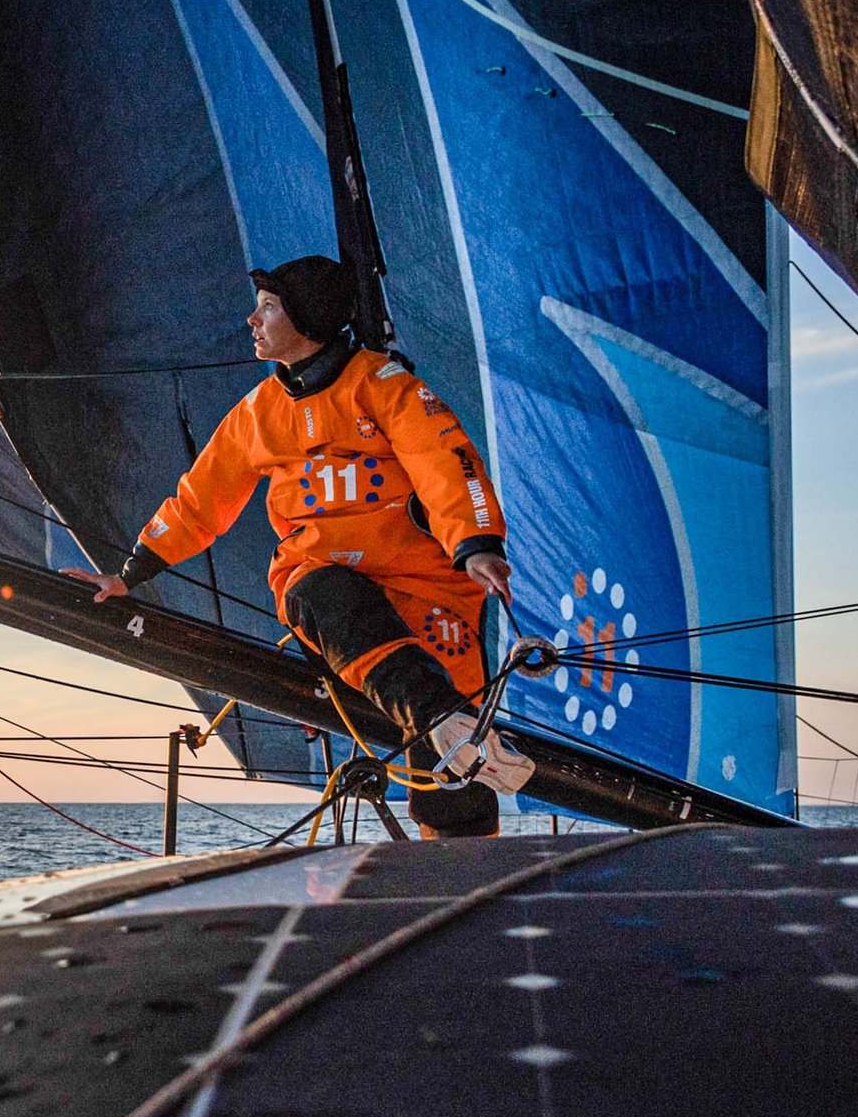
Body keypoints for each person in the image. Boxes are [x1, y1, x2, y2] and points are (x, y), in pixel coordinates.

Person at [65, 255, 532, 837]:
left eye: (267, 307)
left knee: (456, 797)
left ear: (307, 317)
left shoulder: (384, 386)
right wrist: (128, 575)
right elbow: (199, 501)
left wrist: (476, 543)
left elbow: (445, 461)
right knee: (321, 594)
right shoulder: (258, 414)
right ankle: (445, 721)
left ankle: (463, 818)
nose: (252, 320)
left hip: (426, 586)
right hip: (326, 588)